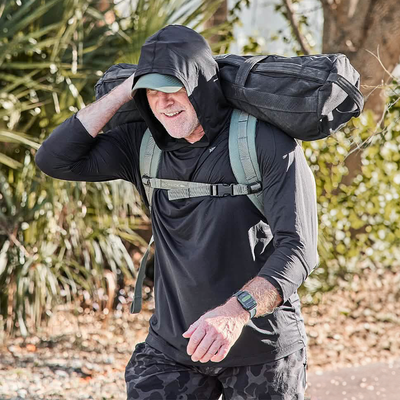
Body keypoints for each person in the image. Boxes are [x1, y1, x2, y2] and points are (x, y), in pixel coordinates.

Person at [36, 25, 318, 399]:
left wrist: (235, 312)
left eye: (174, 90)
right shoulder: (143, 145)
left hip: (261, 349)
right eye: (153, 93)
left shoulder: (264, 141)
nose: (164, 103)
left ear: (201, 87)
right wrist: (126, 90)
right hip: (174, 346)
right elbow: (54, 160)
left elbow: (297, 251)